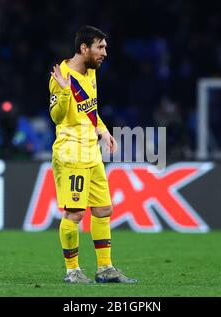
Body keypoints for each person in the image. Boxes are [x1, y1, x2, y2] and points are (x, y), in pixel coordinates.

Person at [49, 25, 137, 284]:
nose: (105, 53)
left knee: (103, 209)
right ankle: (72, 271)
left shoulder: (90, 72)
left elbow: (90, 110)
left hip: (91, 151)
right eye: (100, 47)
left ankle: (105, 269)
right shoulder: (61, 76)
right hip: (70, 152)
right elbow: (56, 117)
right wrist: (64, 91)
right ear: (84, 48)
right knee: (75, 214)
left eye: (105, 47)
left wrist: (103, 131)